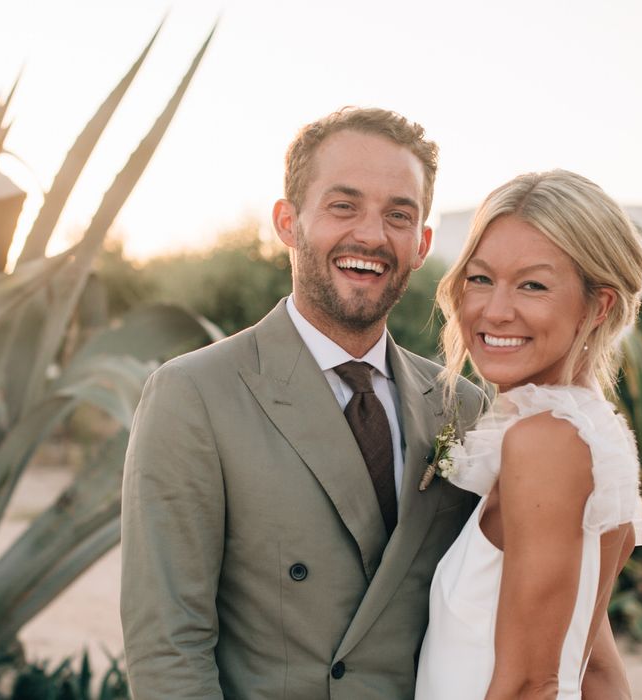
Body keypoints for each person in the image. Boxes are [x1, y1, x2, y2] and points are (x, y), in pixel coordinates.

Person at [120, 107, 485, 699]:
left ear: (421, 244)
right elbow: (169, 647)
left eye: (399, 214)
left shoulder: (464, 410)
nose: (371, 235)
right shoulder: (194, 396)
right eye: (343, 206)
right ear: (288, 222)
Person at [414, 170, 642, 700]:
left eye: (533, 285)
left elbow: (529, 685)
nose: (494, 310)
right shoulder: (587, 433)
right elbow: (596, 670)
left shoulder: (547, 442)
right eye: (480, 278)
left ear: (599, 306)